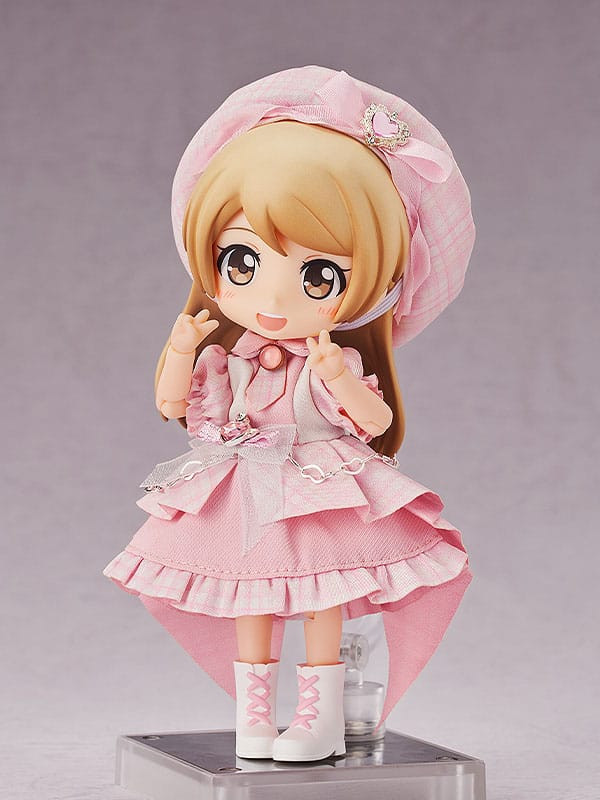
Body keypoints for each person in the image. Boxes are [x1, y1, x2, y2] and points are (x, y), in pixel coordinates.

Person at [103, 65, 476, 762]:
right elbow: (176, 407)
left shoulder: (331, 361)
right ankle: (253, 715)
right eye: (241, 262)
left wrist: (335, 373)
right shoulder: (230, 359)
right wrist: (180, 352)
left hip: (318, 487)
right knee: (252, 599)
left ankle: (318, 718)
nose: (273, 300)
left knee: (320, 598)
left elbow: (371, 422)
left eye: (318, 276)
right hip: (245, 486)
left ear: (373, 284)